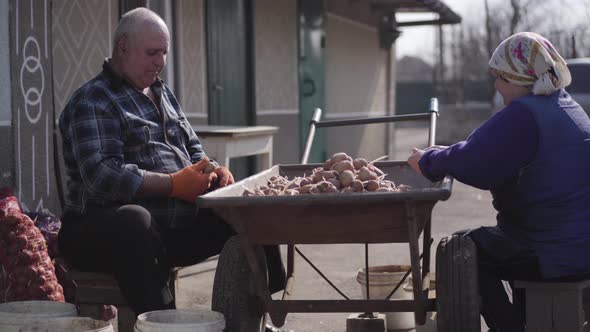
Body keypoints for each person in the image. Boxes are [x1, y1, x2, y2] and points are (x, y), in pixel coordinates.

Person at [57, 7, 285, 316]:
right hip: (100, 230)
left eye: (164, 53)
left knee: (246, 206)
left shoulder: (161, 93)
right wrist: (173, 185)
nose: (160, 63)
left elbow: (192, 147)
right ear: (123, 45)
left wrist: (213, 169)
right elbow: (101, 175)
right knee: (134, 221)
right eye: (152, 53)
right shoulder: (94, 100)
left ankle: (267, 302)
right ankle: (164, 322)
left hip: (168, 228)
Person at [407, 32, 590, 331]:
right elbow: (483, 149)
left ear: (519, 79)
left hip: (552, 250)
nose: (496, 86)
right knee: (502, 240)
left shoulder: (524, 114)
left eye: (501, 78)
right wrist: (444, 153)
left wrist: (427, 161)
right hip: (578, 243)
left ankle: (509, 326)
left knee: (460, 248)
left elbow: (476, 161)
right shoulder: (565, 106)